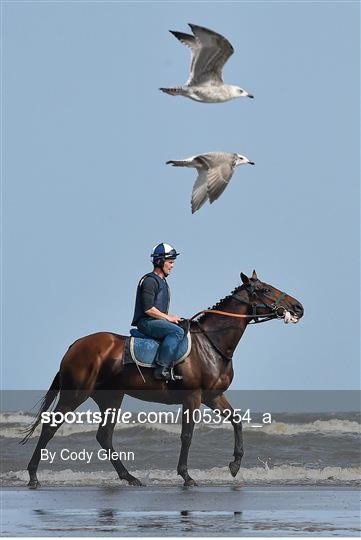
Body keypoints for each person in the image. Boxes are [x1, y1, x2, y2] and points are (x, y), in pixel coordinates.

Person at [131, 243, 185, 381]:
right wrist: (168, 318)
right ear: (160, 261)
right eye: (170, 262)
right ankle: (162, 369)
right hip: (146, 322)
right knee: (177, 332)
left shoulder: (163, 282)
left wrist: (171, 317)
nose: (172, 266)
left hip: (155, 321)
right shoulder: (150, 281)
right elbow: (148, 309)